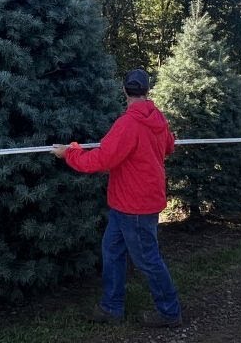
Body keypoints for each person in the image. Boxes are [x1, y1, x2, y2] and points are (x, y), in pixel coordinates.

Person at [51, 69, 183, 328]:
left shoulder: (127, 124)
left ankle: (169, 312)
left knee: (148, 260)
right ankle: (112, 308)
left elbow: (101, 160)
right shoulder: (158, 118)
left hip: (135, 206)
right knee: (112, 250)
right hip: (127, 204)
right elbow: (169, 146)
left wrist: (70, 154)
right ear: (147, 90)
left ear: (124, 90)